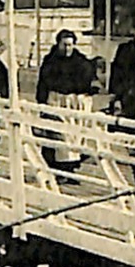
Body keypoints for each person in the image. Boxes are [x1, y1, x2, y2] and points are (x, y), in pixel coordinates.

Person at [35, 29, 99, 174]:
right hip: (57, 100)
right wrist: (41, 103)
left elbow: (88, 80)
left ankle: (71, 168)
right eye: (64, 45)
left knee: (75, 138)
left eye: (70, 45)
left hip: (75, 103)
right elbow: (43, 82)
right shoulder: (50, 61)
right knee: (59, 136)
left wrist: (88, 90)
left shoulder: (80, 61)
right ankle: (58, 168)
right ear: (58, 44)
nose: (67, 49)